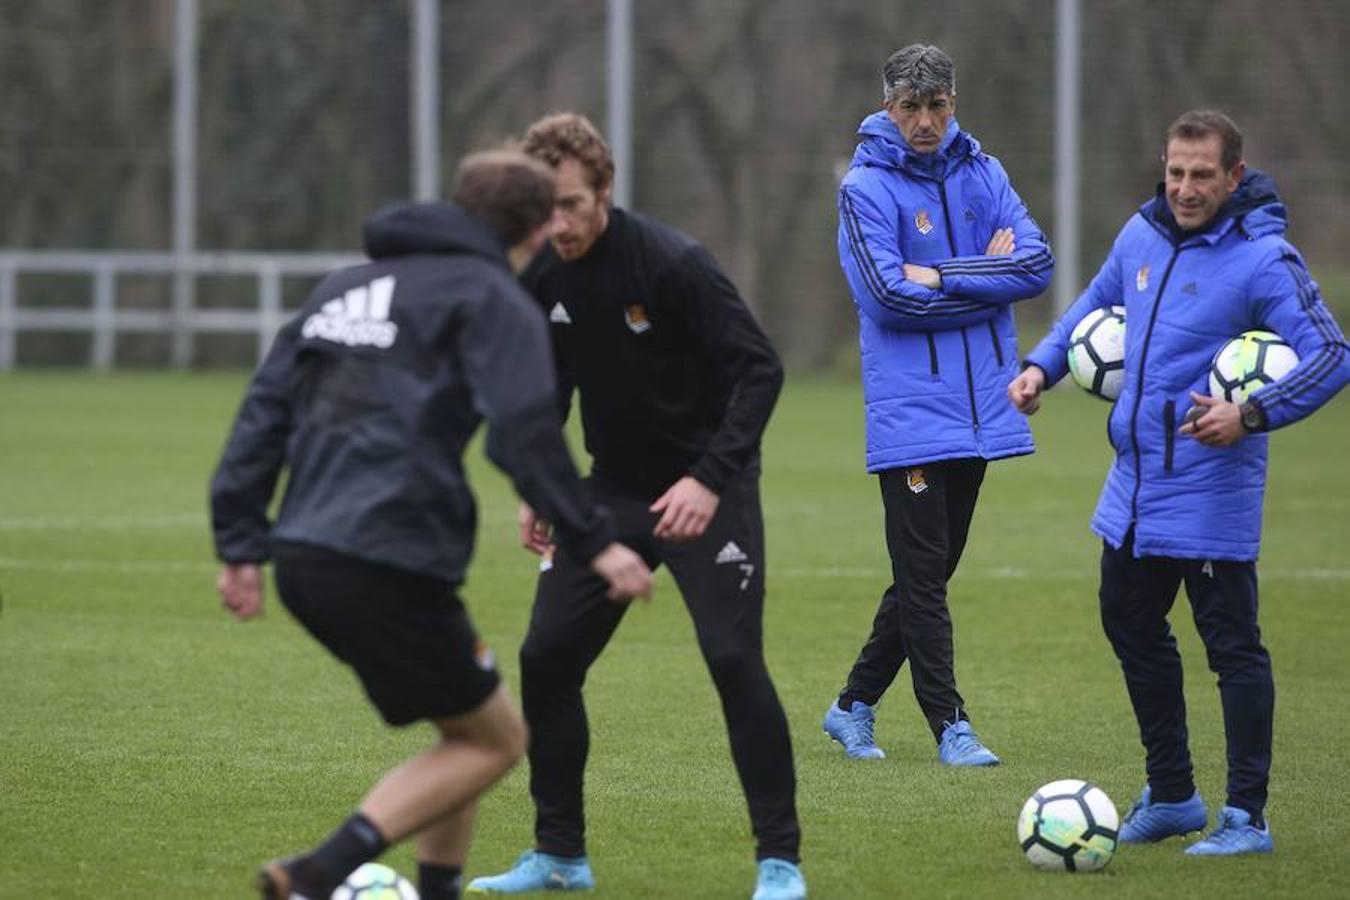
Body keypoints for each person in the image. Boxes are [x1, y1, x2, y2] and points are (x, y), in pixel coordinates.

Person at [210, 149, 654, 900]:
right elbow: (523, 433)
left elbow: (262, 415)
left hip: (305, 557)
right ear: (541, 228)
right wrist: (596, 541)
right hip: (391, 557)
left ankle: (435, 888)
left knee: (469, 734)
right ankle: (318, 874)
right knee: (498, 742)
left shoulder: (341, 289)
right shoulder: (491, 297)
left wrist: (239, 544)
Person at [465, 113, 805, 900]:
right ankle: (559, 856)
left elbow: (761, 371)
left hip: (707, 487)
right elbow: (547, 388)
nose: (559, 224)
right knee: (545, 656)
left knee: (731, 658)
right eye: (543, 209)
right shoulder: (541, 274)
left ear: (605, 193)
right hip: (610, 490)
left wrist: (709, 480)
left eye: (573, 205)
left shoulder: (673, 263)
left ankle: (779, 863)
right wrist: (540, 490)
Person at [1009, 109, 1349, 855]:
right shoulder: (1142, 234)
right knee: (1127, 622)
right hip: (1133, 486)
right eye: (1176, 172)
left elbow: (1333, 356)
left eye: (1202, 175)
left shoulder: (1266, 261)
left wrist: (1251, 413)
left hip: (1210, 493)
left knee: (1232, 649)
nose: (1186, 189)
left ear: (1234, 176)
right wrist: (1041, 366)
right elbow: (1091, 307)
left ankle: (1246, 818)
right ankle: (1172, 793)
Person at [824, 44, 1053, 764]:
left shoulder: (986, 173)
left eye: (937, 105)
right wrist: (987, 279)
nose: (924, 120)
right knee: (924, 579)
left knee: (929, 571)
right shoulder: (864, 188)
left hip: (982, 408)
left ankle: (852, 705)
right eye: (910, 107)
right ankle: (951, 725)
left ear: (954, 102)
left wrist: (942, 275)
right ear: (888, 108)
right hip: (911, 414)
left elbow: (1038, 265)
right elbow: (887, 296)